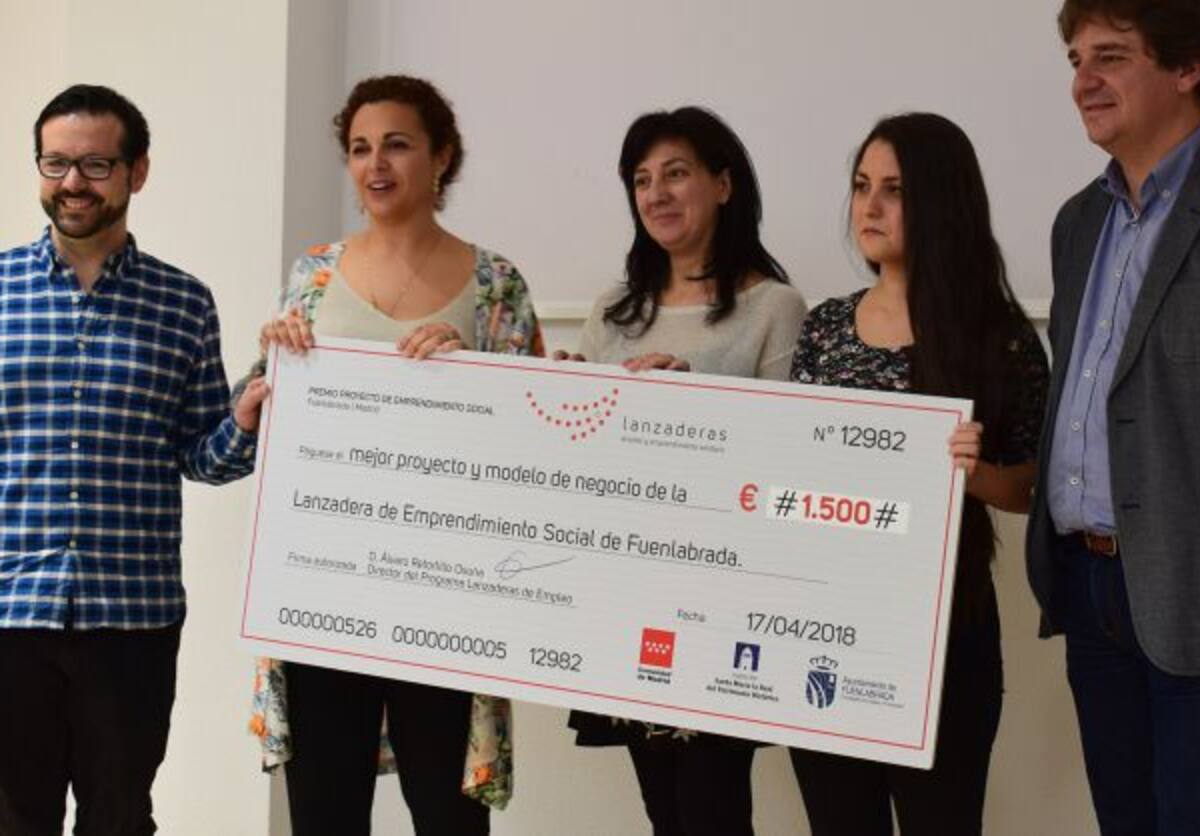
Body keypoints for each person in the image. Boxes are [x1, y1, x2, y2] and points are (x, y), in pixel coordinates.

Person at [248, 74, 542, 836]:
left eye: (397, 145)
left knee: (448, 819)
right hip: (325, 595)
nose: (375, 164)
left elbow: (536, 444)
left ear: (442, 157)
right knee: (325, 815)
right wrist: (269, 372)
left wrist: (477, 375)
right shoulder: (312, 276)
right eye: (359, 148)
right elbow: (263, 420)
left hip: (445, 599)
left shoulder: (495, 284)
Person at [0, 84, 268, 835]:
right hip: (10, 611)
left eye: (95, 164)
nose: (72, 183)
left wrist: (243, 421)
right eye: (55, 163)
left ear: (136, 172)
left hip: (133, 618)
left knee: (119, 819)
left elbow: (202, 456)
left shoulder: (184, 303)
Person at [788, 112, 1048, 835]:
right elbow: (790, 466)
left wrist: (974, 474)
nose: (869, 207)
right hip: (824, 625)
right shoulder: (824, 328)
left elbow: (1036, 486)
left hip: (945, 631)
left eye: (894, 190)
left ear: (941, 201)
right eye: (861, 185)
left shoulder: (998, 335)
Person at [563, 106, 807, 836]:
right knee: (664, 813)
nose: (657, 194)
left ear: (723, 185)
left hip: (721, 601)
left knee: (713, 809)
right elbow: (582, 451)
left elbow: (790, 456)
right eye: (642, 180)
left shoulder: (774, 307)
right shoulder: (615, 309)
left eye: (675, 174)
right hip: (626, 594)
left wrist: (695, 400)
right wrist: (564, 394)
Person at [1025, 0, 1200, 836]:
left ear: (1188, 66)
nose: (1083, 82)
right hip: (1088, 582)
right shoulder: (1078, 222)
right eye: (1075, 60)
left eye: (1112, 57)